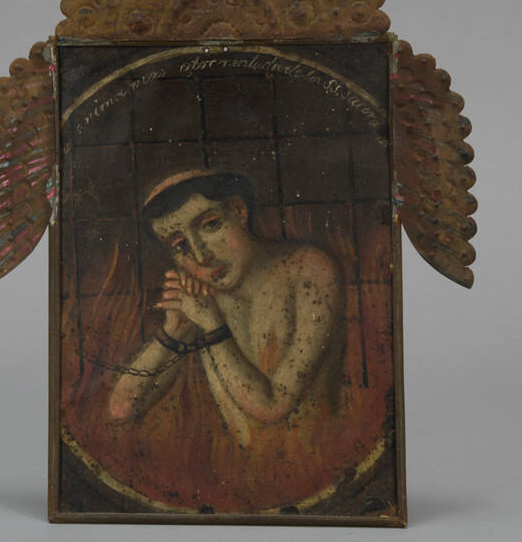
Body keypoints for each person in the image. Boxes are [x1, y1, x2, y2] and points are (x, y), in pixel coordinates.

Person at [107, 170, 345, 446]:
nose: (200, 255)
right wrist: (173, 331)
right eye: (180, 245)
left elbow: (272, 409)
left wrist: (213, 326)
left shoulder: (308, 271)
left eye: (210, 225)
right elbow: (121, 408)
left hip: (314, 454)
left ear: (238, 211)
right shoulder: (203, 299)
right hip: (243, 464)